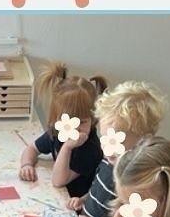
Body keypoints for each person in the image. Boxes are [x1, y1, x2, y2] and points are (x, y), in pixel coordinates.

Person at [72, 81, 168, 217]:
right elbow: (98, 187)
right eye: (104, 138)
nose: (107, 148)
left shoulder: (137, 184)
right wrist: (83, 199)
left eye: (116, 141)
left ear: (144, 140)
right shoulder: (111, 159)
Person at [18, 62, 107, 197]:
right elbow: (32, 149)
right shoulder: (57, 131)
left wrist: (67, 147)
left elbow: (58, 181)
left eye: (82, 122)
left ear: (93, 118)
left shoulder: (91, 148)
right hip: (59, 196)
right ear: (57, 118)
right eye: (69, 121)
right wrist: (27, 165)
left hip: (78, 205)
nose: (75, 128)